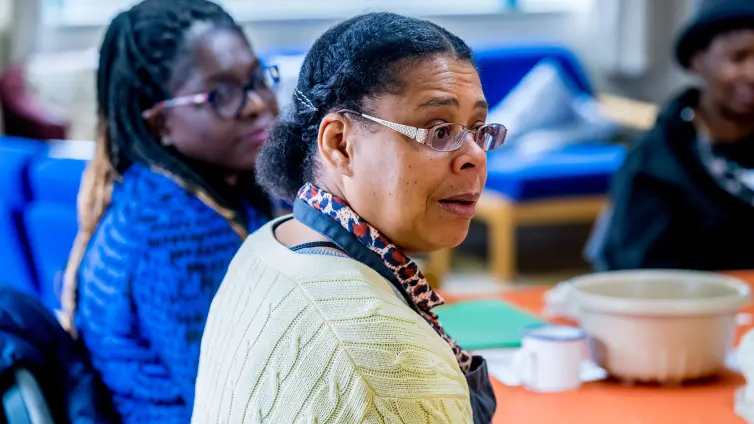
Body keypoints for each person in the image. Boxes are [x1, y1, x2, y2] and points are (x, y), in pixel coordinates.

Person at [193, 12, 505, 424]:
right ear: (340, 143)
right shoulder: (391, 366)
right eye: (439, 131)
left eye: (479, 129)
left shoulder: (271, 242)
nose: (476, 157)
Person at [59, 0, 278, 421]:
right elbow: (234, 409)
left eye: (256, 79)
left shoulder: (175, 191)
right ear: (160, 124)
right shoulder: (174, 231)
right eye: (222, 95)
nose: (256, 104)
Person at [600, 0, 754, 271]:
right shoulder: (657, 159)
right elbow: (635, 267)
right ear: (698, 62)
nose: (752, 74)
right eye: (738, 58)